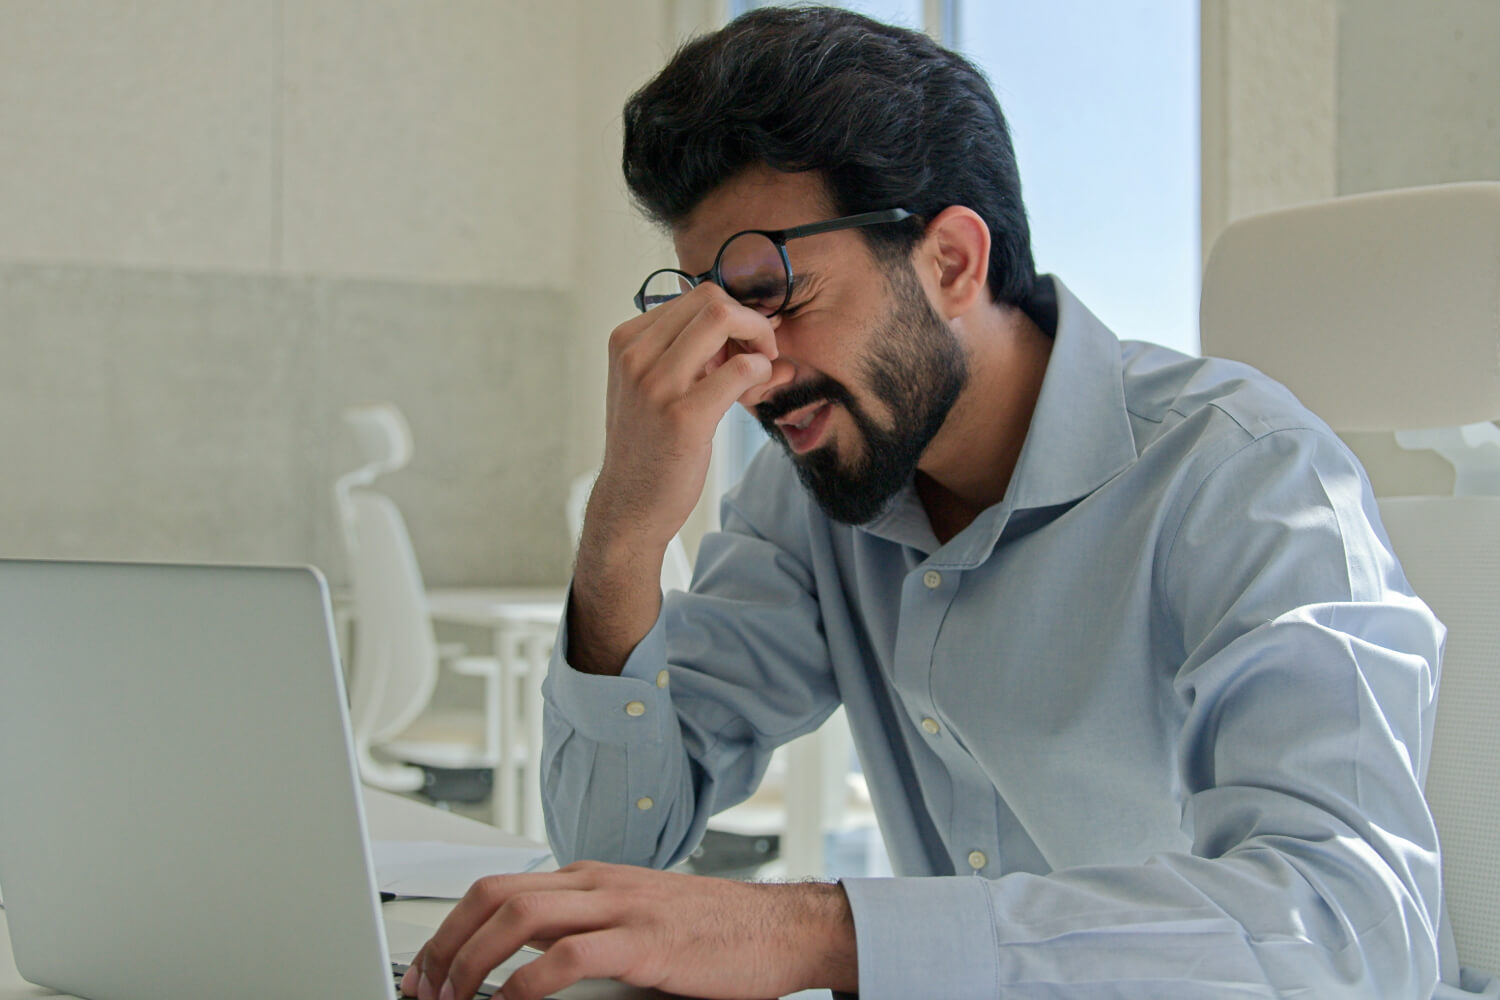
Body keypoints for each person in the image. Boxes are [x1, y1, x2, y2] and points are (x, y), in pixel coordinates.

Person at [402, 7, 1457, 999]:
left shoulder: (1247, 478)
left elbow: (1353, 928)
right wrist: (625, 531)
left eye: (774, 295)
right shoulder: (812, 492)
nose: (748, 373)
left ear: (952, 260)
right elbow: (614, 846)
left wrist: (817, 932)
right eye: (710, 313)